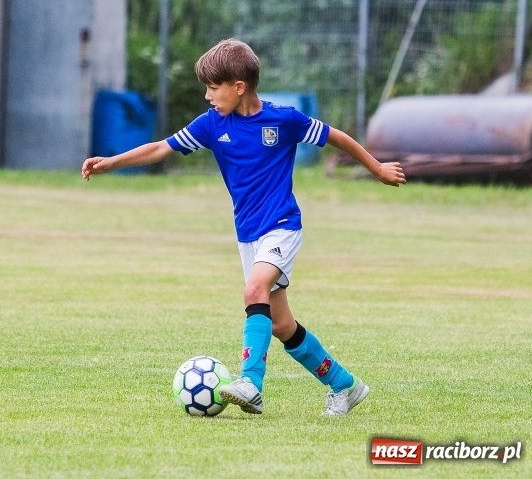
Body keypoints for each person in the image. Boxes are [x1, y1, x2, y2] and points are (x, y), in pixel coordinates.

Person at [81, 39, 406, 416]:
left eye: (213, 88)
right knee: (282, 325)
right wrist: (112, 163)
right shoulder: (212, 124)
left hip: (282, 225)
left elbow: (337, 137)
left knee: (254, 289)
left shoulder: (283, 120)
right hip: (248, 235)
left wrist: (377, 168)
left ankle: (250, 382)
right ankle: (344, 385)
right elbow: (160, 148)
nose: (207, 96)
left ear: (239, 86)